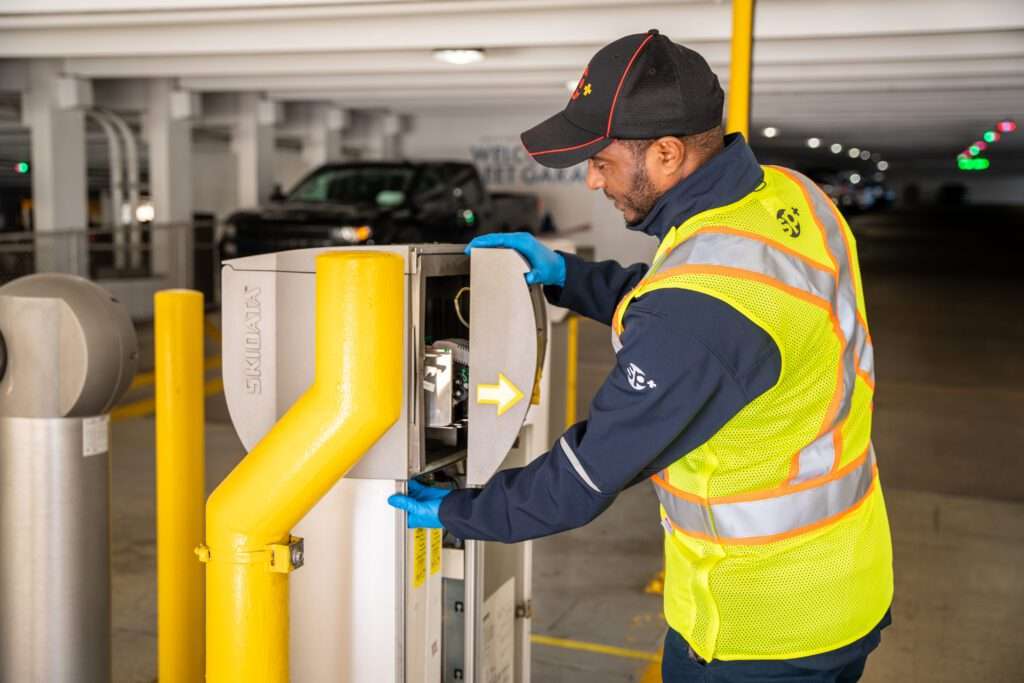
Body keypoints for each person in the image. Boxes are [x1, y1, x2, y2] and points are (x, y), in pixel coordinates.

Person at [388, 29, 892, 682]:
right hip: (846, 578)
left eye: (600, 160)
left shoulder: (701, 306)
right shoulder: (790, 198)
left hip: (759, 627)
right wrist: (568, 275)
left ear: (665, 152)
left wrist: (458, 509)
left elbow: (583, 475)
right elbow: (695, 307)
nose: (591, 179)